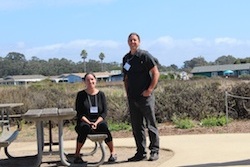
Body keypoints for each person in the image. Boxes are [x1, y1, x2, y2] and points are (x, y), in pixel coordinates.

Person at [122, 32, 160, 161]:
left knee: (151, 124)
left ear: (139, 42)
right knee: (137, 127)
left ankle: (154, 150)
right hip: (132, 97)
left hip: (145, 97)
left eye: (135, 40)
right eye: (130, 40)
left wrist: (149, 90)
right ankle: (140, 152)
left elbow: (155, 73)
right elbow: (126, 78)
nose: (133, 42)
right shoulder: (126, 59)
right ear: (128, 42)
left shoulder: (144, 56)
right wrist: (127, 93)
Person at [74, 72, 117, 164]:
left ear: (95, 80)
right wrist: (89, 123)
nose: (90, 81)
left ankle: (113, 153)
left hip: (98, 121)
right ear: (84, 82)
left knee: (104, 127)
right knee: (84, 128)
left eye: (92, 79)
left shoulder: (101, 94)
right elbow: (79, 113)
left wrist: (96, 123)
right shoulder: (81, 95)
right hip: (85, 121)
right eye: (88, 80)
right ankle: (77, 155)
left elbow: (104, 112)